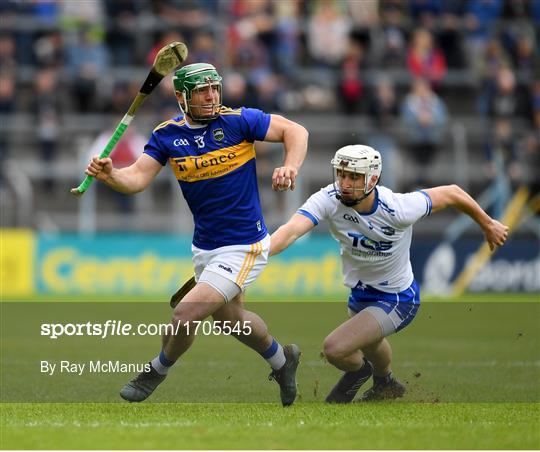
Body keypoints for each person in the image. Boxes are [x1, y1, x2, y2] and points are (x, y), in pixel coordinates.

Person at [82, 63, 309, 405]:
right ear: (181, 97)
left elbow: (296, 131)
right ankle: (282, 360)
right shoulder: (167, 135)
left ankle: (155, 371)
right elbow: (137, 179)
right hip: (205, 247)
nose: (211, 96)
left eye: (215, 88)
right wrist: (111, 175)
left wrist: (290, 165)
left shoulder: (238, 120)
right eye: (202, 91)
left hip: (244, 244)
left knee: (185, 313)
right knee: (232, 320)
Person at [270, 144, 508, 403]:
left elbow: (452, 193)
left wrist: (488, 224)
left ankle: (361, 373)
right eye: (341, 174)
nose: (345, 183)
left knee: (334, 349)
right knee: (371, 345)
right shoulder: (328, 199)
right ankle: (386, 383)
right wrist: (259, 253)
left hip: (397, 298)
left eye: (354, 177)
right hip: (360, 294)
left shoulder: (399, 208)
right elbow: (292, 230)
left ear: (372, 178)